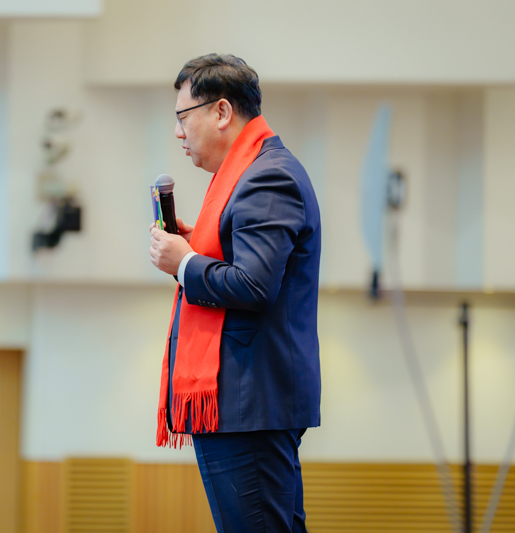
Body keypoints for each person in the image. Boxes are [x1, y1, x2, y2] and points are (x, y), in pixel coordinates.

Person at [148, 54, 322, 533]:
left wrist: (185, 263)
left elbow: (254, 285)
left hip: (249, 401)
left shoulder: (266, 175)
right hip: (248, 402)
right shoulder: (251, 172)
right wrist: (193, 250)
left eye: (183, 117)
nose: (178, 133)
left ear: (222, 112)